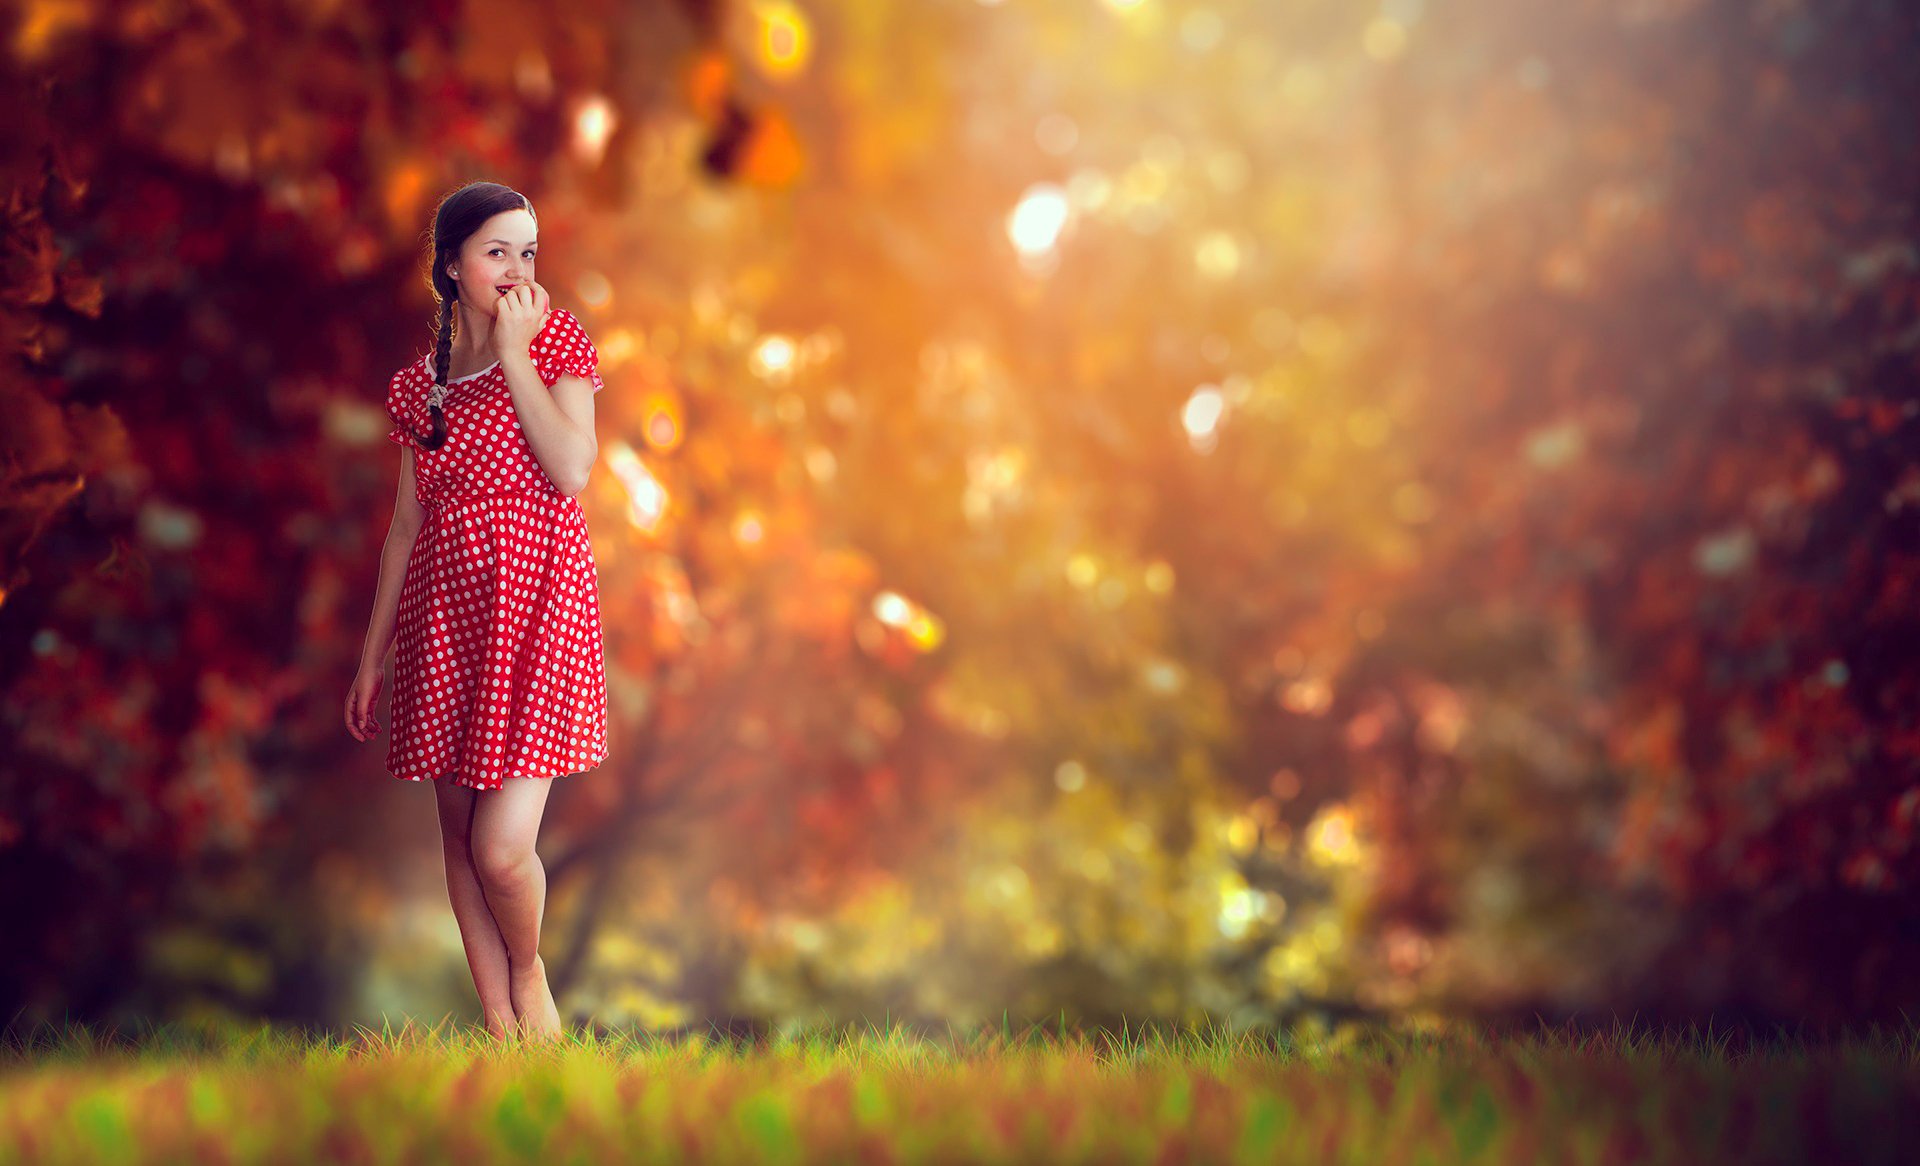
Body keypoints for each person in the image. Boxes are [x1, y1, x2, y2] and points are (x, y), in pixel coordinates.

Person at [343, 181, 609, 1041]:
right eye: (497, 251)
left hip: (539, 613)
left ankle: (528, 972)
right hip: (446, 621)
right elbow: (404, 528)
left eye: (528, 252)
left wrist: (519, 354)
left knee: (502, 849)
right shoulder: (418, 389)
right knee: (458, 838)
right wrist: (371, 656)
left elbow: (570, 469)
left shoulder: (557, 342)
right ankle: (502, 1031)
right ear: (453, 264)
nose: (516, 269)